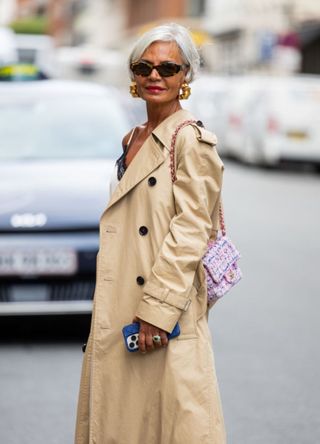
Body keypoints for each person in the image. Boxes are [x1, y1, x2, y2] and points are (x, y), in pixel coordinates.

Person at [75, 23, 226, 444]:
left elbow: (191, 231)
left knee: (169, 425)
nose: (154, 76)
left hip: (161, 312)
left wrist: (156, 312)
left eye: (167, 67)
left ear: (186, 77)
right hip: (123, 302)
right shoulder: (133, 137)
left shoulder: (191, 141)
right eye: (144, 67)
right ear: (133, 77)